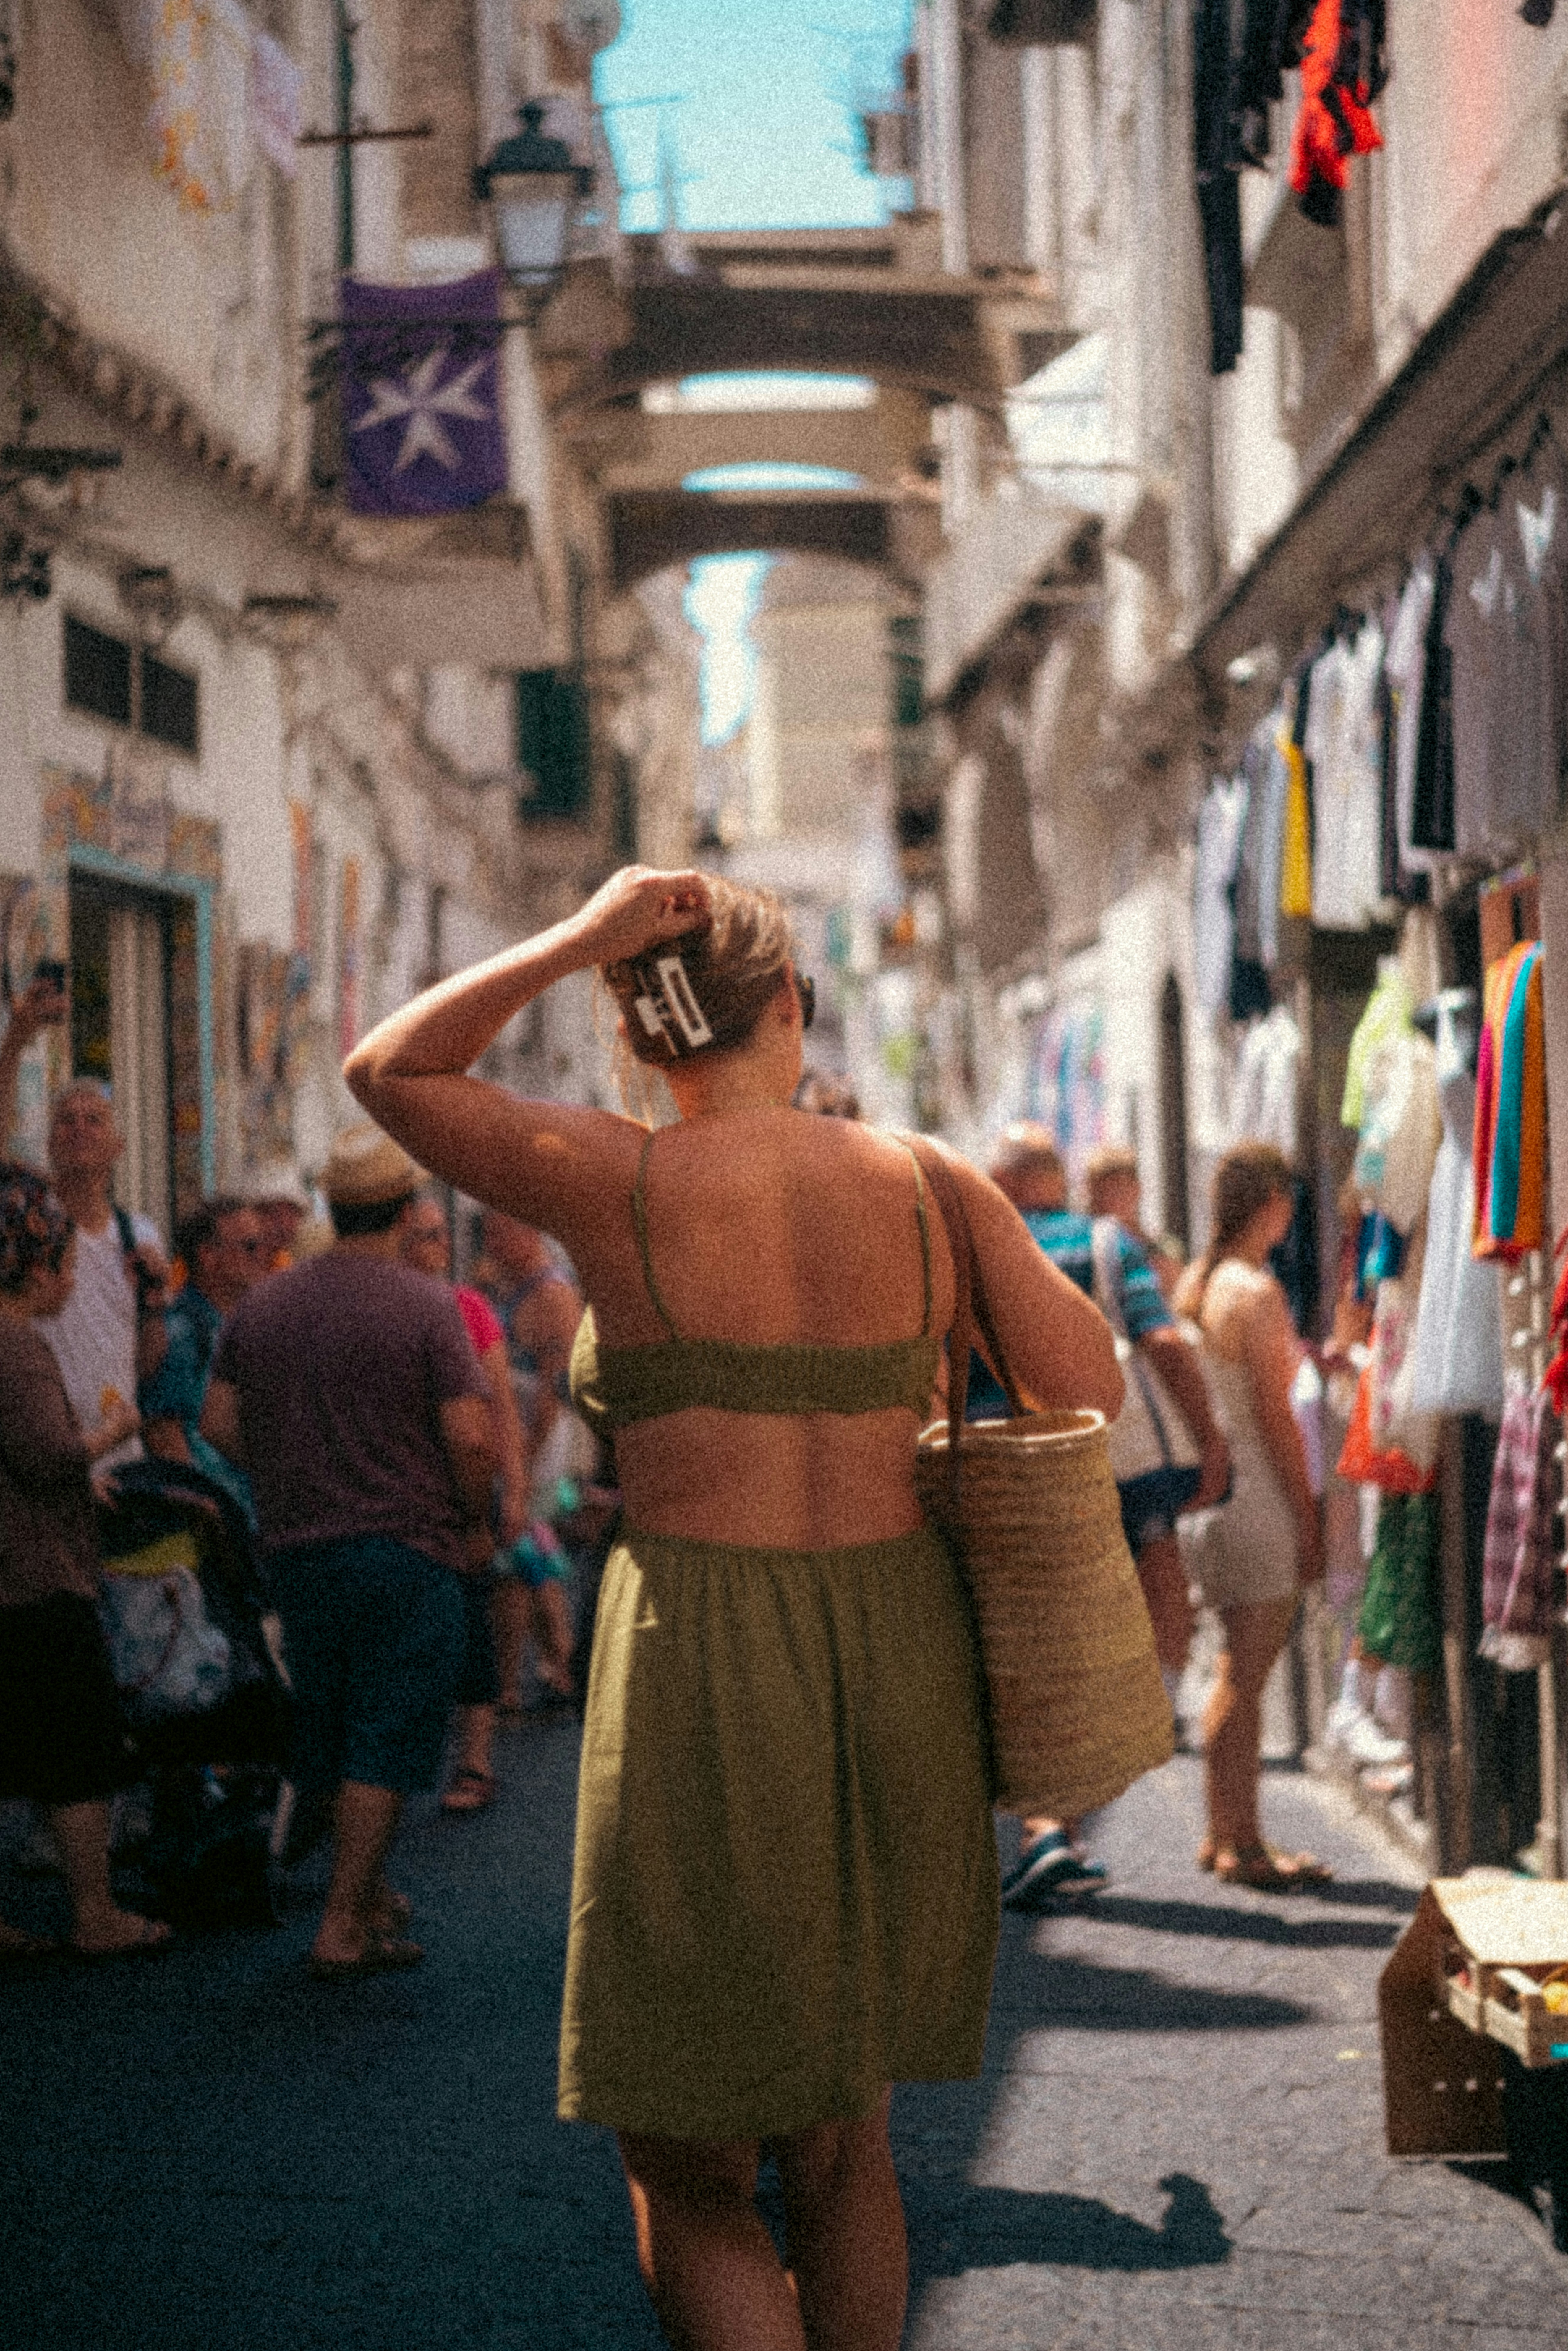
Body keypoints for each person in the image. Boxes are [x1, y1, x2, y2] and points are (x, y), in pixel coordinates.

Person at [343, 864, 1121, 2351]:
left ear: (638, 1033)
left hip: (702, 1652)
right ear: (794, 1003)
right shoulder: (925, 1181)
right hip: (899, 1650)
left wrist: (586, 932)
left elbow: (390, 1067)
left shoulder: (616, 1179)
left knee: (686, 2159)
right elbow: (1083, 1384)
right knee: (843, 2138)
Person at [198, 1123, 497, 1978]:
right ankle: (341, 1923)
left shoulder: (265, 1305)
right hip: (407, 1551)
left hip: (298, 1551)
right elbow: (471, 1442)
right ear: (406, 1212)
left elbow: (218, 1425)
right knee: (391, 1734)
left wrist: (295, 1470)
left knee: (329, 1722)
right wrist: (473, 1522)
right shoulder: (428, 1308)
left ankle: (363, 1899)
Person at [972, 1124, 1230, 1910]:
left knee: (1035, 1640)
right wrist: (1210, 1439)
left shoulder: (979, 1249)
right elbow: (1161, 1340)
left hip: (1010, 1470)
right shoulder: (1106, 1242)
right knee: (1155, 1576)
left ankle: (1048, 1825)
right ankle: (1124, 1730)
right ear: (1055, 1180)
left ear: (1004, 1185)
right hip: (1115, 1460)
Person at [0, 1162, 172, 1958]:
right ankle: (95, 1912)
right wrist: (105, 1441)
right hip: (36, 1579)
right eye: (67, 1264)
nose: (73, 1281)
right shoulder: (19, 1346)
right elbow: (45, 1456)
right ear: (37, 1268)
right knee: (75, 1748)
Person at [1174, 1142, 1330, 1890]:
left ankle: (1225, 1834)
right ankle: (1241, 1846)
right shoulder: (1256, 1293)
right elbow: (1275, 1420)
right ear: (1267, 1201)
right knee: (1247, 1670)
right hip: (1257, 1495)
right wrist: (1308, 1519)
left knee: (1233, 1663)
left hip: (1210, 1501)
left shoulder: (1197, 1285)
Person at [400, 1190, 529, 1812]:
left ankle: (475, 1759)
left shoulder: (470, 1308)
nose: (438, 1246)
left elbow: (502, 1405)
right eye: (423, 1235)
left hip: (464, 1482)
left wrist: (517, 1487)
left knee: (473, 1612)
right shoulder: (387, 1308)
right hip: (402, 1488)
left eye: (441, 1234)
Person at [469, 1209, 582, 1711]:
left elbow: (553, 1389)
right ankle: (561, 1661)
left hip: (535, 1439)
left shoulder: (551, 1294)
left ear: (529, 1230)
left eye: (499, 1232)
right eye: (486, 1233)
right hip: (515, 1436)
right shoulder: (508, 1282)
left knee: (515, 1558)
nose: (490, 1243)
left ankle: (511, 1683)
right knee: (533, 1550)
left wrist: (524, 1457)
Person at [34, 1080, 171, 1474]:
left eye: (94, 1120)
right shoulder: (31, 1233)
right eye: (66, 1120)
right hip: (47, 1451)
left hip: (119, 1456)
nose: (79, 1128)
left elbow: (146, 1363)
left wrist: (155, 1300)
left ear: (118, 1146)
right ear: (49, 1145)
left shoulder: (140, 1235)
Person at [140, 1195, 269, 1518]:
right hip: (216, 1520)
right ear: (209, 1256)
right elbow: (165, 1434)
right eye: (251, 1246)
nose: (264, 1257)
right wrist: (203, 1515)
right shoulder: (184, 1331)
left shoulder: (233, 1325)